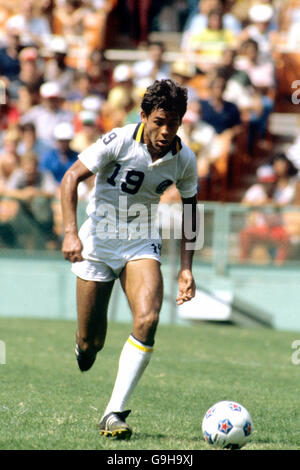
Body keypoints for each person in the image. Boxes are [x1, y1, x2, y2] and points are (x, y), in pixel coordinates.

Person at [60, 79, 198, 439]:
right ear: (144, 116)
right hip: (99, 240)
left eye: (174, 123)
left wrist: (186, 268)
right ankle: (83, 346)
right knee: (91, 345)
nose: (166, 131)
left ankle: (113, 412)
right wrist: (71, 232)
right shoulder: (120, 139)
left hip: (140, 241)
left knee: (149, 317)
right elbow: (71, 177)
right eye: (159, 121)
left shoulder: (184, 159)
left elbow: (192, 211)